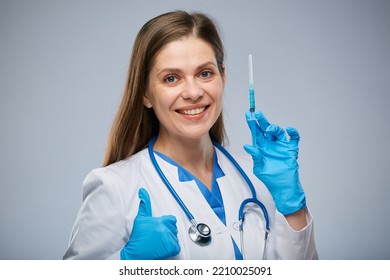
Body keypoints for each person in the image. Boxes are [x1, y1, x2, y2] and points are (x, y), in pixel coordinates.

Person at [63, 10, 318, 260]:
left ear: (223, 77)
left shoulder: (260, 178)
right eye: (171, 78)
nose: (193, 92)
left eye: (204, 73)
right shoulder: (114, 187)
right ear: (145, 93)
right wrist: (127, 263)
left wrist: (293, 207)